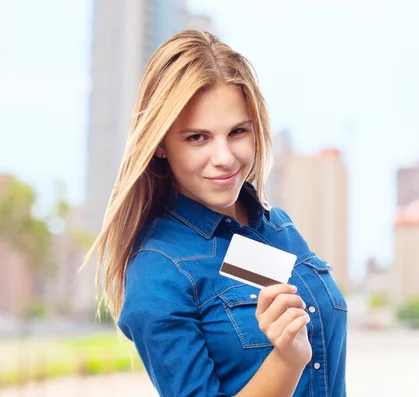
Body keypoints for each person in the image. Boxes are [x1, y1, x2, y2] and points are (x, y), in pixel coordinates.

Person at [83, 30, 347, 397]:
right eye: (197, 138)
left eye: (237, 132)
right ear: (160, 145)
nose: (224, 158)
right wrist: (286, 360)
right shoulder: (157, 273)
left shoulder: (278, 227)